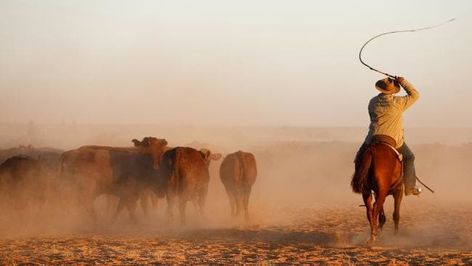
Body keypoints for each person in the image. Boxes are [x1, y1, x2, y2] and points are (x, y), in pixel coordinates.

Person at [355, 76, 422, 196]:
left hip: (373, 137)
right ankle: (410, 186)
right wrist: (403, 82)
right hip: (394, 138)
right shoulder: (399, 102)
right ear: (393, 90)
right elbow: (415, 95)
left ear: (380, 89)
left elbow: (372, 117)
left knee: (359, 157)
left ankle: (359, 183)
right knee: (409, 157)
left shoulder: (372, 102)